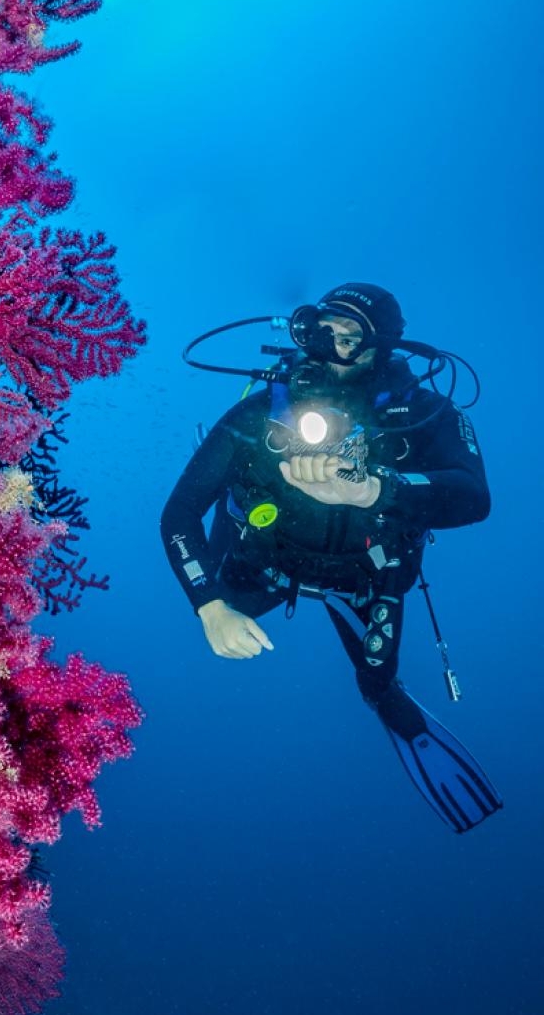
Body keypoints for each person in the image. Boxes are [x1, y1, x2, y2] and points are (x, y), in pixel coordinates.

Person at [160, 282, 501, 832]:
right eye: (322, 332)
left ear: (384, 344)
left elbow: (474, 496)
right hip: (266, 563)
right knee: (220, 591)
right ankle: (234, 521)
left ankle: (391, 705)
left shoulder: (428, 414)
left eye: (349, 337)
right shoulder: (261, 411)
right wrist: (209, 606)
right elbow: (177, 517)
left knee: (377, 683)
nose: (329, 348)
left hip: (370, 575)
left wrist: (376, 490)